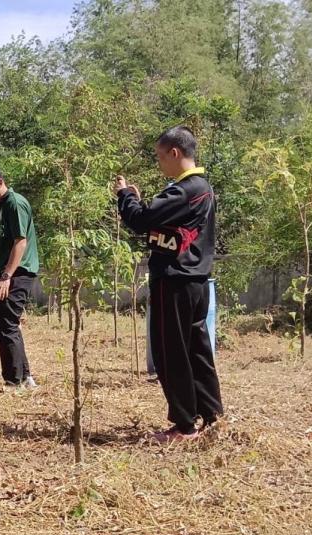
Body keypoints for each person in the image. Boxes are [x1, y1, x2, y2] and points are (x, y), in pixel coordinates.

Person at [114, 125, 223, 442]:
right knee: (196, 351)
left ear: (175, 153)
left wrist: (125, 196)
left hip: (174, 282)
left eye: (161, 157)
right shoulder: (203, 188)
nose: (159, 164)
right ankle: (212, 416)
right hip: (197, 282)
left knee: (170, 353)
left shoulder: (185, 189)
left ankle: (185, 425)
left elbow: (141, 219)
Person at [0, 168, 40, 389]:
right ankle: (25, 377)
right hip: (9, 272)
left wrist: (6, 276)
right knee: (7, 324)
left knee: (6, 326)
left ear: (0, 182)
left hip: (19, 272)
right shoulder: (3, 206)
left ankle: (14, 382)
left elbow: (20, 242)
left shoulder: (15, 203)